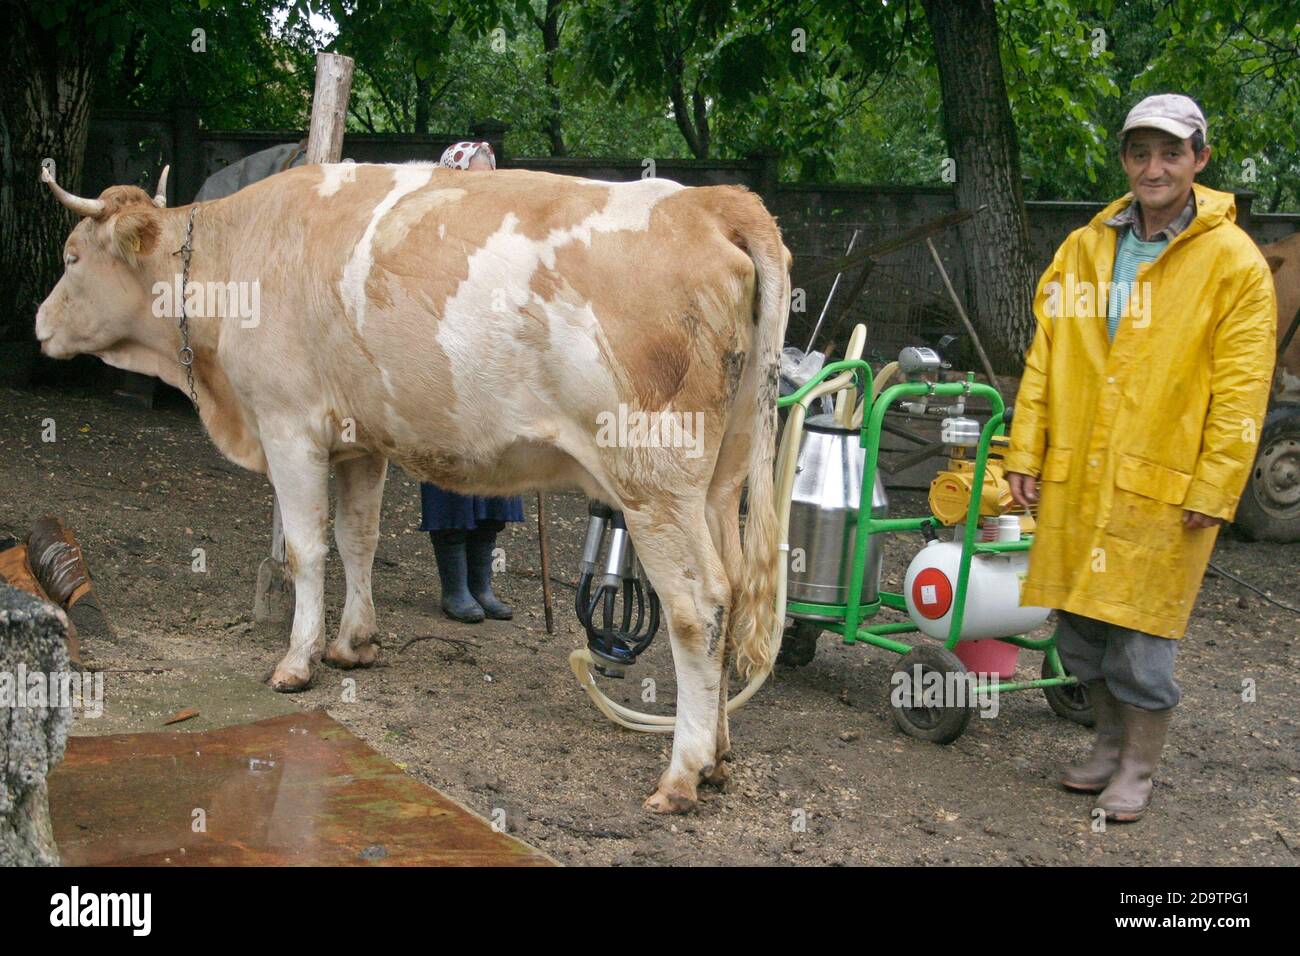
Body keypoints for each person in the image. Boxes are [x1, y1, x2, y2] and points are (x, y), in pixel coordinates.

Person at [1004, 94, 1276, 822]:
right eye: (1139, 153)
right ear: (1125, 160)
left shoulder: (1233, 263)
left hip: (1165, 480)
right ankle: (1104, 747)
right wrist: (1025, 451)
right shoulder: (1086, 246)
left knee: (1142, 639)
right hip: (1080, 474)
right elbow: (1045, 359)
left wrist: (1217, 486)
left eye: (1171, 153)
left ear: (1200, 160)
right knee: (1081, 629)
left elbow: (1243, 393)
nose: (1153, 168)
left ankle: (1139, 768)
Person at [420, 140, 524, 623]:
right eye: (474, 175)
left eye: (490, 175)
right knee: (452, 477)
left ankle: (483, 586)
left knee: (495, 478)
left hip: (492, 373)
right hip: (444, 373)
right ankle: (454, 590)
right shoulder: (430, 233)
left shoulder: (502, 236)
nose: (484, 185)